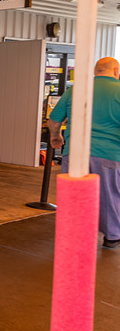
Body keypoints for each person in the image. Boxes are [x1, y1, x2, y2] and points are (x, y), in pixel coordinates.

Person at [47, 56, 120, 249]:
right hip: (109, 154)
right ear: (116, 71)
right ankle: (112, 236)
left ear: (96, 71)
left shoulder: (76, 90)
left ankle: (74, 235)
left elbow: (53, 121)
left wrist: (56, 137)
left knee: (74, 196)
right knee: (109, 195)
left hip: (75, 153)